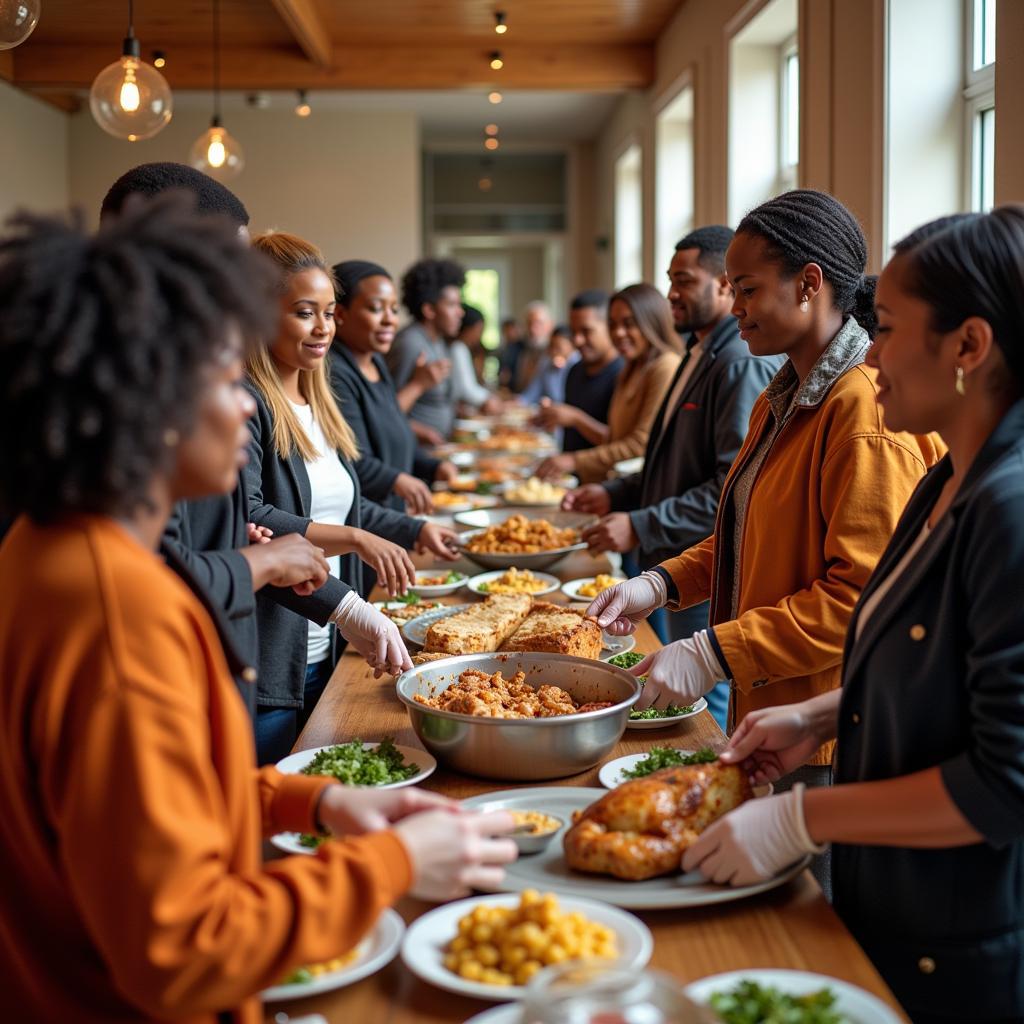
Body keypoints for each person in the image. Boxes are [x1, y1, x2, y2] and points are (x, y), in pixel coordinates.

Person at [0, 195, 516, 1024]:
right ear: (144, 397)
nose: (247, 402)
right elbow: (184, 952)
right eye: (220, 375)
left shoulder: (45, 544)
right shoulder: (119, 615)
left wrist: (304, 801)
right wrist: (389, 863)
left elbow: (142, 809)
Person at [687, 206, 1024, 1024]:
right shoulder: (947, 484)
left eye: (890, 327)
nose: (869, 351)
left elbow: (1004, 783)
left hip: (958, 933)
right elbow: (923, 663)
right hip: (891, 894)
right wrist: (821, 713)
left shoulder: (1010, 511)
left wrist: (805, 814)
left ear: (969, 348)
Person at [589, 191, 944, 887]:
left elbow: (857, 603)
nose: (735, 304)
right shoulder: (784, 394)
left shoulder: (860, 412)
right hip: (775, 719)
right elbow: (746, 534)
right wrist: (661, 582)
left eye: (746, 289)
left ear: (809, 285)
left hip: (828, 736)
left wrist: (712, 650)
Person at [101, 162, 330, 722]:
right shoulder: (126, 389)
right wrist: (262, 561)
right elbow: (148, 579)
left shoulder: (177, 365)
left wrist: (241, 545)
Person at [244, 233, 460, 764]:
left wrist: (411, 529)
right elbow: (250, 515)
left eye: (329, 314)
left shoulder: (317, 400)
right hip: (275, 657)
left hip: (334, 641)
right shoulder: (250, 403)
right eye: (304, 313)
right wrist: (358, 539)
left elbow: (342, 507)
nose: (323, 329)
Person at [564, 227, 781, 728]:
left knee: (703, 707)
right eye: (670, 281)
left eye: (684, 281)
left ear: (724, 287)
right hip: (677, 562)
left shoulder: (736, 364)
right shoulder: (698, 352)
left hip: (702, 558)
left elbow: (731, 489)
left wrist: (641, 522)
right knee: (667, 688)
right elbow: (667, 461)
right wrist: (617, 493)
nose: (671, 295)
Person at [329, 259, 457, 516]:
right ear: (341, 315)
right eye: (376, 309)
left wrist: (431, 466)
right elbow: (352, 458)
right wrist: (398, 481)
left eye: (394, 310)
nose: (390, 320)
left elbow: (396, 430)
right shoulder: (335, 373)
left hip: (392, 514)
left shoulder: (375, 361)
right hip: (367, 522)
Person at [537, 284, 681, 484]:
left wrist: (575, 460)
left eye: (628, 323)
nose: (618, 333)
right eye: (613, 324)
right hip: (612, 486)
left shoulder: (665, 366)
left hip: (639, 494)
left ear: (651, 321)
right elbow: (614, 439)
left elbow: (640, 445)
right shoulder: (631, 368)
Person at [534, 290, 623, 459]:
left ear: (609, 327)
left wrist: (576, 419)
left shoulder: (623, 374)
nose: (577, 340)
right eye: (573, 332)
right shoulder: (575, 370)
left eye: (586, 331)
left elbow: (621, 444)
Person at [386, 257, 463, 442]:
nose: (461, 312)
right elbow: (386, 412)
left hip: (440, 450)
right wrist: (423, 432)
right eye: (452, 305)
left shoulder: (439, 342)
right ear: (429, 310)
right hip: (416, 455)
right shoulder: (409, 344)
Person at [450, 304, 502, 414]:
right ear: (468, 329)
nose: (479, 335)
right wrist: (489, 398)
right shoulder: (458, 349)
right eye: (478, 330)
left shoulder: (462, 348)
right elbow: (467, 389)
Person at [517, 323, 579, 406]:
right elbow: (531, 394)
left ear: (572, 346)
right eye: (551, 346)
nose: (554, 352)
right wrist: (515, 402)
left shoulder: (579, 365)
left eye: (558, 347)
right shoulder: (546, 363)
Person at [514, 300, 555, 392]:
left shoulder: (557, 356)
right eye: (529, 323)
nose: (533, 329)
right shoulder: (524, 353)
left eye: (538, 323)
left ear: (551, 324)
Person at [497, 316, 525, 390]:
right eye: (506, 331)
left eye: (511, 330)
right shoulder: (505, 348)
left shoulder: (523, 348)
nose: (509, 333)